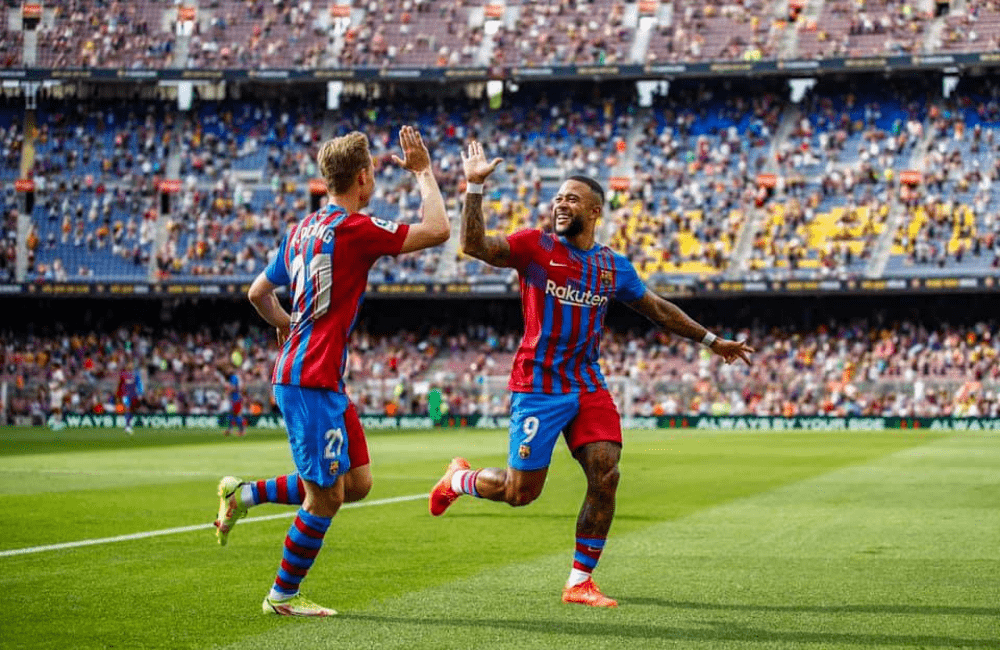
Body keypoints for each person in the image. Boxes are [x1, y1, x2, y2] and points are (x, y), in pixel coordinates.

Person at [429, 141, 754, 608]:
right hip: (538, 386)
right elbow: (473, 245)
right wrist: (475, 184)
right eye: (558, 198)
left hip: (587, 385)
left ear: (595, 211)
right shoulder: (534, 247)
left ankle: (579, 582)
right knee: (522, 494)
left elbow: (657, 309)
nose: (561, 204)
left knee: (607, 474)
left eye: (571, 199)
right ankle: (459, 478)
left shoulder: (611, 266)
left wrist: (711, 341)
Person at [214, 126, 449, 617]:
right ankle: (281, 595)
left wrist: (286, 325)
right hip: (310, 380)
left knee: (355, 483)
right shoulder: (356, 228)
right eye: (374, 175)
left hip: (319, 378)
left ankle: (246, 493)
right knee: (326, 496)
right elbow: (438, 229)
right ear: (363, 178)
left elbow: (258, 292)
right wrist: (423, 170)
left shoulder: (301, 229)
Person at [116, 360, 143, 435]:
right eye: (129, 364)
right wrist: (119, 395)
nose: (130, 366)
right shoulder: (123, 374)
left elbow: (139, 383)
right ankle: (128, 426)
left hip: (133, 394)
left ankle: (128, 424)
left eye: (131, 364)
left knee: (131, 409)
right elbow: (120, 385)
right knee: (127, 408)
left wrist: (140, 393)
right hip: (125, 395)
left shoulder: (136, 374)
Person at [224, 367, 246, 436]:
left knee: (236, 415)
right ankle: (230, 429)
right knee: (232, 414)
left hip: (236, 398)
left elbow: (233, 388)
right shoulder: (234, 377)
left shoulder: (233, 377)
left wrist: (227, 391)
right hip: (235, 398)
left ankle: (241, 430)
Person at [47, 360, 66, 431]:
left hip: (57, 392)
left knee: (57, 407)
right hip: (53, 392)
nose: (51, 367)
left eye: (53, 366)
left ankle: (58, 423)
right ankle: (56, 421)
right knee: (53, 407)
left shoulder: (59, 372)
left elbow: (63, 381)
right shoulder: (53, 373)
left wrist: (56, 388)